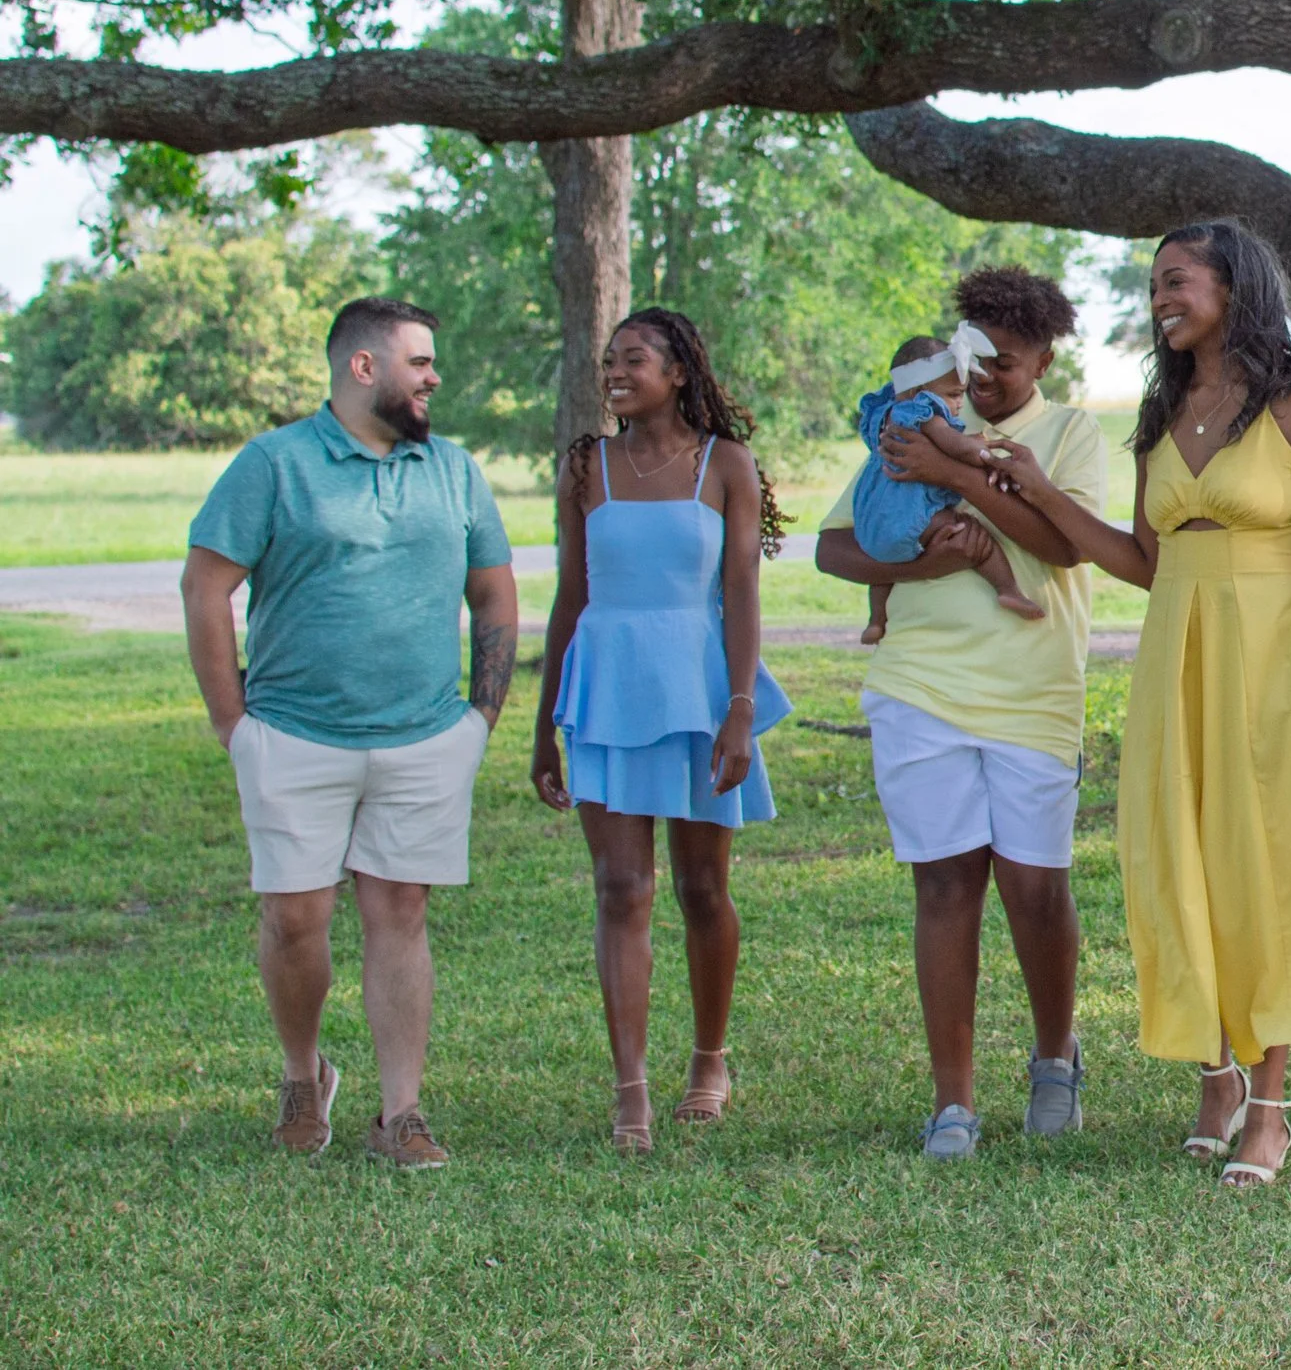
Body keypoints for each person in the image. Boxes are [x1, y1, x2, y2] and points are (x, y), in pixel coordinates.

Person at [984, 218, 1291, 1189]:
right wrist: (1034, 488)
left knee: (1274, 866)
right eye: (1155, 284)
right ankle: (1215, 1077)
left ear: (1234, 289)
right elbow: (1139, 561)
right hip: (1178, 660)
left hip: (1278, 655)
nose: (1161, 299)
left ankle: (1271, 1106)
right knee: (1180, 858)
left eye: (1176, 282)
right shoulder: (1160, 417)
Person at [181, 296, 518, 1168]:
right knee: (296, 918)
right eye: (420, 360)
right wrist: (233, 722)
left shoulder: (453, 470)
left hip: (423, 737)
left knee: (399, 911)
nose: (435, 376)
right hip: (294, 734)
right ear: (363, 367)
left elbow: (493, 591)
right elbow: (205, 587)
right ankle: (304, 1073)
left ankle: (400, 1111)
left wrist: (480, 718)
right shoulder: (274, 464)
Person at [814, 268, 1103, 1160]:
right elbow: (833, 545)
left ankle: (1055, 1059)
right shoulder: (918, 418)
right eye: (970, 357)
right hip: (920, 689)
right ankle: (953, 1102)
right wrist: (924, 567)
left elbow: (1061, 546)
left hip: (1032, 692)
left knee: (1034, 887)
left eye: (1003, 364)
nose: (982, 379)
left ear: (1045, 358)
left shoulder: (1071, 433)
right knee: (943, 885)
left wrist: (956, 475)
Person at [530, 309, 794, 1152]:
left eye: (633, 358)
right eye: (609, 360)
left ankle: (709, 1060)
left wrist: (741, 707)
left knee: (701, 888)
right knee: (620, 888)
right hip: (605, 685)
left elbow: (743, 590)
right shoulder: (585, 465)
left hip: (699, 684)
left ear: (679, 370)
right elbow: (570, 595)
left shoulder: (727, 464)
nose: (615, 370)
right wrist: (543, 728)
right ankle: (630, 1089)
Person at [856, 329, 1046, 644]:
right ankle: (1008, 590)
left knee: (884, 566)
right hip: (910, 517)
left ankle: (877, 620)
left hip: (873, 523)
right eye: (954, 394)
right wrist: (987, 454)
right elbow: (955, 447)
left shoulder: (883, 413)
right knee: (973, 536)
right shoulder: (924, 412)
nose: (960, 403)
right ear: (919, 391)